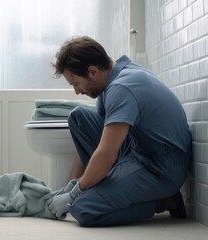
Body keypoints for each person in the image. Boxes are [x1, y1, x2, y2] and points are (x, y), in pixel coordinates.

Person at [47, 36, 191, 227]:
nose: (76, 91)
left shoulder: (122, 88)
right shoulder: (112, 78)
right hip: (138, 150)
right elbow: (100, 143)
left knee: (83, 208)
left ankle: (163, 201)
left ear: (92, 72)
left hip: (161, 168)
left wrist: (75, 195)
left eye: (75, 83)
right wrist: (69, 186)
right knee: (78, 117)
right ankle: (106, 184)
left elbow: (106, 154)